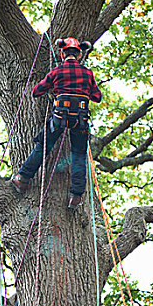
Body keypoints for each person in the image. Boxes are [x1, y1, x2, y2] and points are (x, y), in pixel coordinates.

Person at [11, 37, 102, 208]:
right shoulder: (87, 73)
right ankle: (76, 196)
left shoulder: (56, 72)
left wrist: (55, 88)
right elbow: (97, 97)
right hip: (81, 119)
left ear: (62, 53)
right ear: (79, 53)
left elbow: (36, 92)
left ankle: (23, 178)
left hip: (60, 116)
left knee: (43, 146)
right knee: (79, 155)